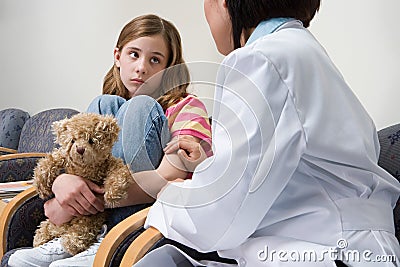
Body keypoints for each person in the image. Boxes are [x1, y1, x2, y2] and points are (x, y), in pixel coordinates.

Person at [133, 1, 400, 267]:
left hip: (325, 251)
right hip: (343, 247)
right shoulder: (299, 51)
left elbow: (222, 214)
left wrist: (169, 197)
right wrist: (207, 170)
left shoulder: (260, 60)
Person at [8, 14, 212, 267]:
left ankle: (106, 237)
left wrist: (71, 204)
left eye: (155, 60)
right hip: (100, 208)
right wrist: (62, 181)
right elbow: (72, 161)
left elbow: (169, 177)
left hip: (145, 215)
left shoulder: (187, 107)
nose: (141, 68)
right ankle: (78, 238)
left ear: (169, 68)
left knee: (140, 106)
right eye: (134, 54)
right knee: (105, 104)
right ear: (118, 57)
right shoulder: (107, 108)